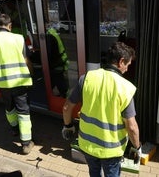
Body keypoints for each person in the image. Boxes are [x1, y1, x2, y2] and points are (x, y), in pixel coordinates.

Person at [62, 42, 142, 177]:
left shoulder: (87, 78)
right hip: (111, 151)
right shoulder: (125, 87)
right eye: (127, 65)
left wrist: (68, 126)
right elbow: (132, 126)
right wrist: (136, 147)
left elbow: (66, 107)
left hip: (87, 145)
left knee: (94, 173)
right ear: (121, 62)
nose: (127, 69)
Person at [0, 14, 34, 155]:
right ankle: (26, 143)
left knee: (9, 107)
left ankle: (15, 129)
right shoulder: (18, 38)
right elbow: (27, 61)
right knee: (23, 111)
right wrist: (32, 75)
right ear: (10, 26)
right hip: (20, 81)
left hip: (2, 83)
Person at [46, 28, 69, 98]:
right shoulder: (53, 32)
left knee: (58, 79)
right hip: (61, 60)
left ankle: (65, 96)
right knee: (58, 79)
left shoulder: (49, 36)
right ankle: (64, 94)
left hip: (57, 63)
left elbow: (50, 53)